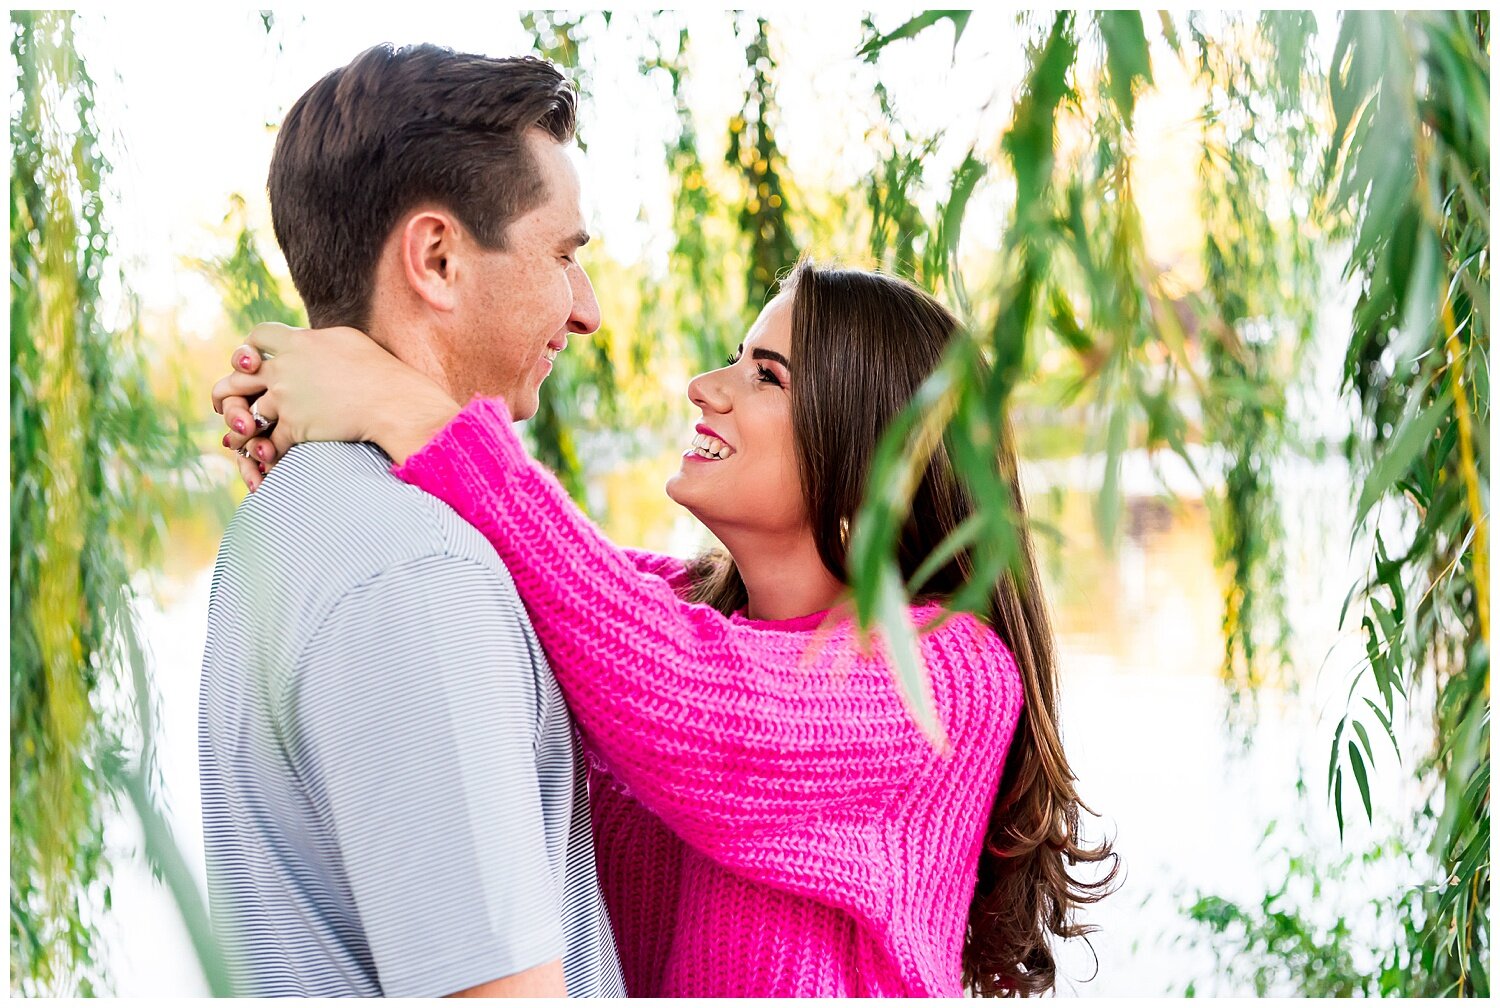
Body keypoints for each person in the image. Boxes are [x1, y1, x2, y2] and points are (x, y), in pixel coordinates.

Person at [212, 259, 1121, 997]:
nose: (705, 386)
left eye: (764, 375)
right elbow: (553, 579)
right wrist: (345, 462)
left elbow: (695, 703)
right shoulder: (669, 614)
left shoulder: (952, 677)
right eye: (736, 357)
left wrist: (408, 414)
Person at [197, 43, 625, 997]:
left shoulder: (295, 521)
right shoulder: (412, 571)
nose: (587, 310)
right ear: (436, 258)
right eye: (564, 256)